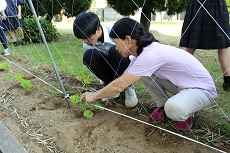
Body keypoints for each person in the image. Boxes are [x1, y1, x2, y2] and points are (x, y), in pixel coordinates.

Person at [80, 18, 217, 131]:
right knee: (142, 74)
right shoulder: (139, 55)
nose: (116, 48)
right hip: (182, 86)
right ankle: (162, 105)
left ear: (128, 39)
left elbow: (118, 86)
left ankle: (183, 114)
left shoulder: (150, 54)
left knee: (174, 108)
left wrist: (94, 96)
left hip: (202, 90)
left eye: (116, 43)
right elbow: (124, 79)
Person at [73, 12, 138, 108]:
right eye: (82, 39)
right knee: (88, 56)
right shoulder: (87, 44)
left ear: (98, 29)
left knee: (114, 50)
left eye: (88, 38)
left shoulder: (116, 32)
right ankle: (110, 88)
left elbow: (133, 55)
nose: (85, 41)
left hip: (126, 65)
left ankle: (128, 87)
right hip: (111, 69)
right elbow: (98, 63)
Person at [179, 0, 230, 91]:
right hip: (198, 2)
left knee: (223, 43)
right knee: (190, 43)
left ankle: (228, 81)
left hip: (217, 3)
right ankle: (178, 76)